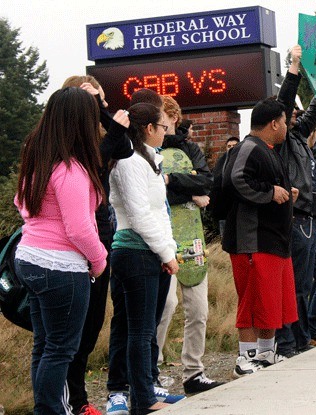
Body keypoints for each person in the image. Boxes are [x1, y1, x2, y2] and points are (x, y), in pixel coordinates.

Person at [14, 87, 108, 414]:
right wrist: (99, 260)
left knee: (45, 346)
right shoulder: (71, 169)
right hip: (61, 267)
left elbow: (21, 204)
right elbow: (79, 228)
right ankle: (52, 410)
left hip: (30, 258)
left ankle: (46, 409)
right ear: (82, 122)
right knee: (61, 349)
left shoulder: (37, 159)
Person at [107, 90, 183, 415]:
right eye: (163, 127)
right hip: (135, 252)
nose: (166, 132)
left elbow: (160, 213)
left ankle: (145, 389)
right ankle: (141, 398)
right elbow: (139, 215)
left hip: (149, 252)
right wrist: (167, 253)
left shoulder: (149, 159)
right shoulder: (129, 162)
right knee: (138, 330)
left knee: (143, 329)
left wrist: (166, 250)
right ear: (149, 128)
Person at [61, 75, 133, 415]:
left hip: (102, 234)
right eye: (88, 101)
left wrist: (104, 107)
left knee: (92, 325)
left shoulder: (101, 134)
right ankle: (73, 399)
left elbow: (126, 147)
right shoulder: (62, 142)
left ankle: (76, 398)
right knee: (72, 327)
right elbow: (93, 165)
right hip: (74, 240)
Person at [221, 97, 298, 376]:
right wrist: (270, 194)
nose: (288, 128)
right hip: (251, 240)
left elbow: (255, 181)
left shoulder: (268, 149)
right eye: (286, 122)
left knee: (270, 299)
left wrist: (286, 195)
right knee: (252, 298)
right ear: (275, 123)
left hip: (272, 239)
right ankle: (245, 358)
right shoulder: (249, 147)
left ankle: (266, 352)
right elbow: (235, 179)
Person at [155, 95, 223, 395]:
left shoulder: (190, 148)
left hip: (191, 237)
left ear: (173, 117)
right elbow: (152, 190)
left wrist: (172, 181)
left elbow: (206, 183)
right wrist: (186, 190)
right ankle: (151, 370)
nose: (160, 123)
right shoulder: (147, 149)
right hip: (161, 237)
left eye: (163, 117)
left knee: (198, 309)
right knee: (165, 306)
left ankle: (194, 372)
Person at [274, 45, 316, 355]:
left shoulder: (298, 137)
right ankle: (289, 342)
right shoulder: (283, 139)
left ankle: (298, 339)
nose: (297, 116)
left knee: (306, 285)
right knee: (296, 285)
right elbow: (284, 103)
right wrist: (294, 68)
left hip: (310, 220)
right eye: (292, 114)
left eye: (298, 114)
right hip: (296, 218)